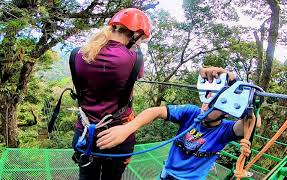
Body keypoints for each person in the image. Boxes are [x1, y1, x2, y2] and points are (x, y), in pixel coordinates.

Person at [96, 67, 244, 180]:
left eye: (213, 105)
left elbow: (252, 123)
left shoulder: (225, 130)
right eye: (206, 99)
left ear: (226, 110)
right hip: (167, 173)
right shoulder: (192, 112)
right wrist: (127, 128)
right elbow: (156, 111)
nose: (205, 107)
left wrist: (234, 82)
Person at [71, 8, 151, 180]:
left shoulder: (77, 54)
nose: (139, 44)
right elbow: (137, 75)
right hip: (119, 134)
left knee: (86, 176)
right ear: (135, 34)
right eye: (140, 40)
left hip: (85, 132)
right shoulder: (134, 58)